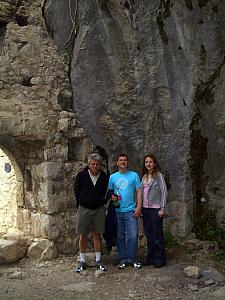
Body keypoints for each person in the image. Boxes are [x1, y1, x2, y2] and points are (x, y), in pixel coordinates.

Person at [74, 153, 108, 273]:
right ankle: (82, 260)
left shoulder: (103, 176)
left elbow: (105, 191)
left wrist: (102, 201)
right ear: (88, 165)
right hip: (84, 208)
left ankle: (98, 259)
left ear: (99, 165)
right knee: (83, 235)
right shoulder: (81, 176)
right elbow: (76, 191)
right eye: (92, 164)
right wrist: (81, 204)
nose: (95, 166)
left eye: (97, 164)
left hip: (98, 209)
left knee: (97, 234)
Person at [108, 153, 142, 269]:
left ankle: (132, 258)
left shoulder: (134, 176)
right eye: (120, 160)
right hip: (117, 211)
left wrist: (138, 207)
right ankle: (123, 259)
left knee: (133, 236)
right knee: (120, 236)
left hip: (130, 210)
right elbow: (110, 192)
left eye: (125, 160)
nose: (123, 162)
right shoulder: (112, 177)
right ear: (117, 162)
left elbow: (138, 192)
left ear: (127, 162)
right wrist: (112, 196)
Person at [141, 154, 167, 268]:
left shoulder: (159, 175)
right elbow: (141, 193)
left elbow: (164, 192)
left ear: (154, 163)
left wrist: (162, 208)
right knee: (149, 235)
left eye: (151, 162)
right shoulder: (144, 176)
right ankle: (150, 258)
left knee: (157, 235)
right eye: (147, 162)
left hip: (156, 209)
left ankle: (160, 259)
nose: (149, 164)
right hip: (145, 209)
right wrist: (139, 207)